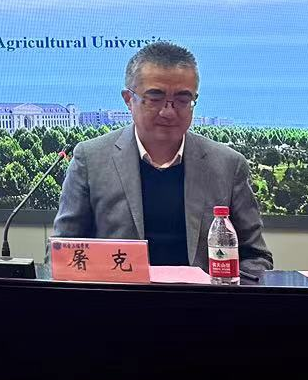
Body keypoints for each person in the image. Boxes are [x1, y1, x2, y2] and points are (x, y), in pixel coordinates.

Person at [54, 41, 272, 282]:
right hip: (118, 301)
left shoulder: (227, 165)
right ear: (128, 99)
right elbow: (62, 254)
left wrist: (225, 295)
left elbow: (256, 258)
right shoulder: (91, 159)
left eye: (182, 100)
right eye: (155, 98)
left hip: (204, 303)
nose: (168, 112)